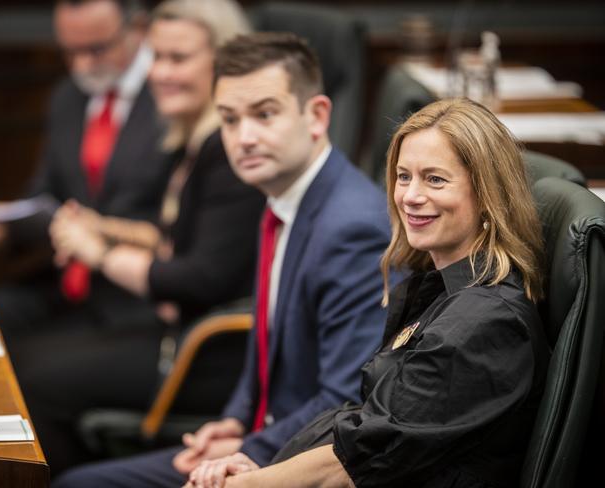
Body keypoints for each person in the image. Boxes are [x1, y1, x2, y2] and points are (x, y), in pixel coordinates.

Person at [53, 32, 402, 488]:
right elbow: (266, 340)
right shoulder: (282, 200)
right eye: (229, 120)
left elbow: (345, 402)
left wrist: (248, 448)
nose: (244, 138)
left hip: (296, 463)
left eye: (264, 114)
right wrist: (235, 419)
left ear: (316, 116)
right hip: (264, 436)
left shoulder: (350, 228)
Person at [187, 98, 551, 488]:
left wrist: (244, 485)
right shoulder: (434, 287)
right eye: (404, 176)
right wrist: (261, 472)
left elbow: (353, 465)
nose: (410, 196)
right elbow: (360, 423)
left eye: (435, 179)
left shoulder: (484, 325)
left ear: (488, 194)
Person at [11, 0, 263, 475]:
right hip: (180, 330)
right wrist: (101, 226)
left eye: (178, 59)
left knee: (33, 382)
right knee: (21, 358)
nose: (159, 74)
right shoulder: (193, 136)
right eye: (157, 58)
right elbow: (171, 239)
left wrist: (99, 252)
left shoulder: (231, 148)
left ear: (228, 62)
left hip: (209, 354)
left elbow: (198, 280)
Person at [0, 0, 173, 336]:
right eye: (70, 52)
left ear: (139, 29)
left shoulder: (170, 95)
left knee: (34, 369)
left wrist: (96, 232)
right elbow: (44, 190)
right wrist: (9, 220)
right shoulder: (67, 97)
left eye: (97, 49)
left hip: (133, 291)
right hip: (66, 277)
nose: (83, 64)